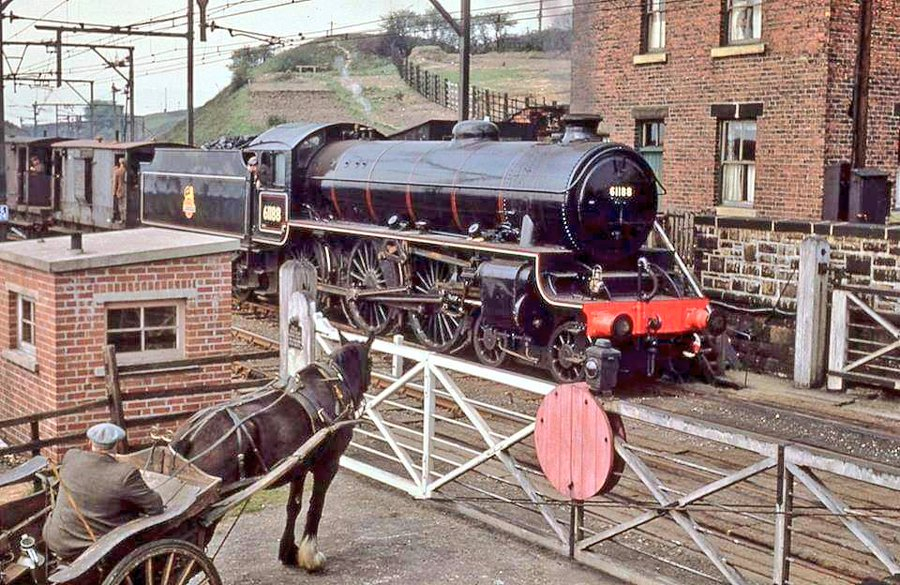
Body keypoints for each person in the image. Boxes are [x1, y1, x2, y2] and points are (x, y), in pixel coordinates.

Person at [43, 423, 164, 560]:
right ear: (117, 445)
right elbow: (155, 507)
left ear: (89, 442)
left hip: (55, 538)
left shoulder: (71, 456)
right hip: (90, 550)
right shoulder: (125, 474)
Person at [111, 158, 127, 223]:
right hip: (125, 189)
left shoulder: (117, 171)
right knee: (124, 205)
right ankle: (124, 218)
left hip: (119, 190)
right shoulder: (127, 171)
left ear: (120, 163)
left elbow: (115, 183)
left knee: (120, 205)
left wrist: (113, 192)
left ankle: (121, 219)